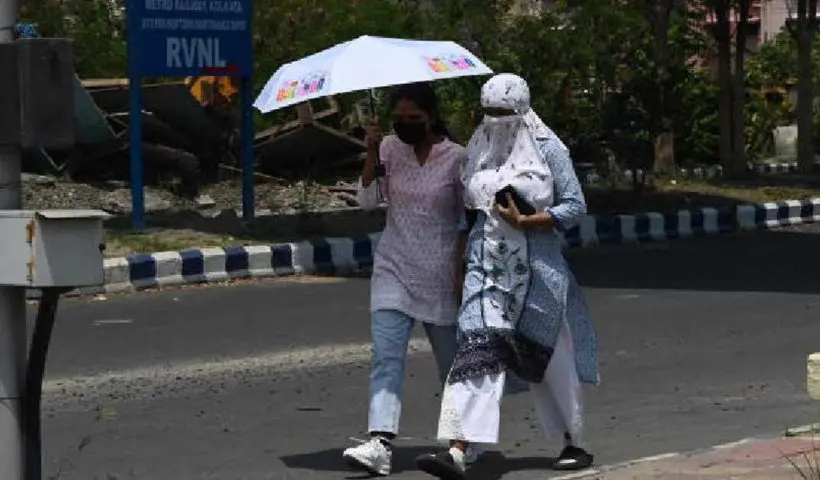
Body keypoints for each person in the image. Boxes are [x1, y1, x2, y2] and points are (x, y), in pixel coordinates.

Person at [415, 73, 600, 479]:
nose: (495, 120)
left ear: (520, 110)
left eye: (503, 113)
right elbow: (470, 211)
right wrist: (461, 262)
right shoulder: (479, 147)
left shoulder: (550, 149)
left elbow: (575, 205)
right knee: (476, 350)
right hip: (487, 269)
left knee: (549, 356)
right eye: (489, 112)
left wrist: (529, 218)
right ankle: (460, 447)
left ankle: (574, 440)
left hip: (537, 272)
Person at [342, 82, 473, 476]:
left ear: (431, 118)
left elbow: (469, 218)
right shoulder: (387, 150)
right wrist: (370, 152)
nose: (404, 126)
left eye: (413, 119)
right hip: (394, 267)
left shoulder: (457, 157)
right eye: (398, 119)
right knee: (386, 356)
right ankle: (380, 442)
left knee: (452, 365)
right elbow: (367, 201)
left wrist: (462, 270)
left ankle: (461, 444)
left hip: (440, 271)